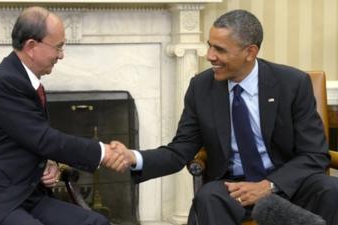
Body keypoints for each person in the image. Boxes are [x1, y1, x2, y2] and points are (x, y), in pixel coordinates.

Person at [115, 9, 338, 225]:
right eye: (209, 46)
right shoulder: (201, 87)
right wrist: (134, 158)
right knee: (208, 197)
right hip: (234, 189)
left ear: (250, 52)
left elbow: (314, 153)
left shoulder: (292, 84)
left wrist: (269, 185)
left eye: (220, 50)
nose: (210, 56)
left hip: (287, 183)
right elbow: (180, 150)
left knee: (331, 190)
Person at [0, 6, 129, 225]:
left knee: (95, 222)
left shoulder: (26, 81)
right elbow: (43, 139)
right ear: (32, 46)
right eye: (58, 47)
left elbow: (25, 139)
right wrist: (102, 152)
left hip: (23, 192)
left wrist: (47, 164)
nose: (61, 55)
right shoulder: (4, 81)